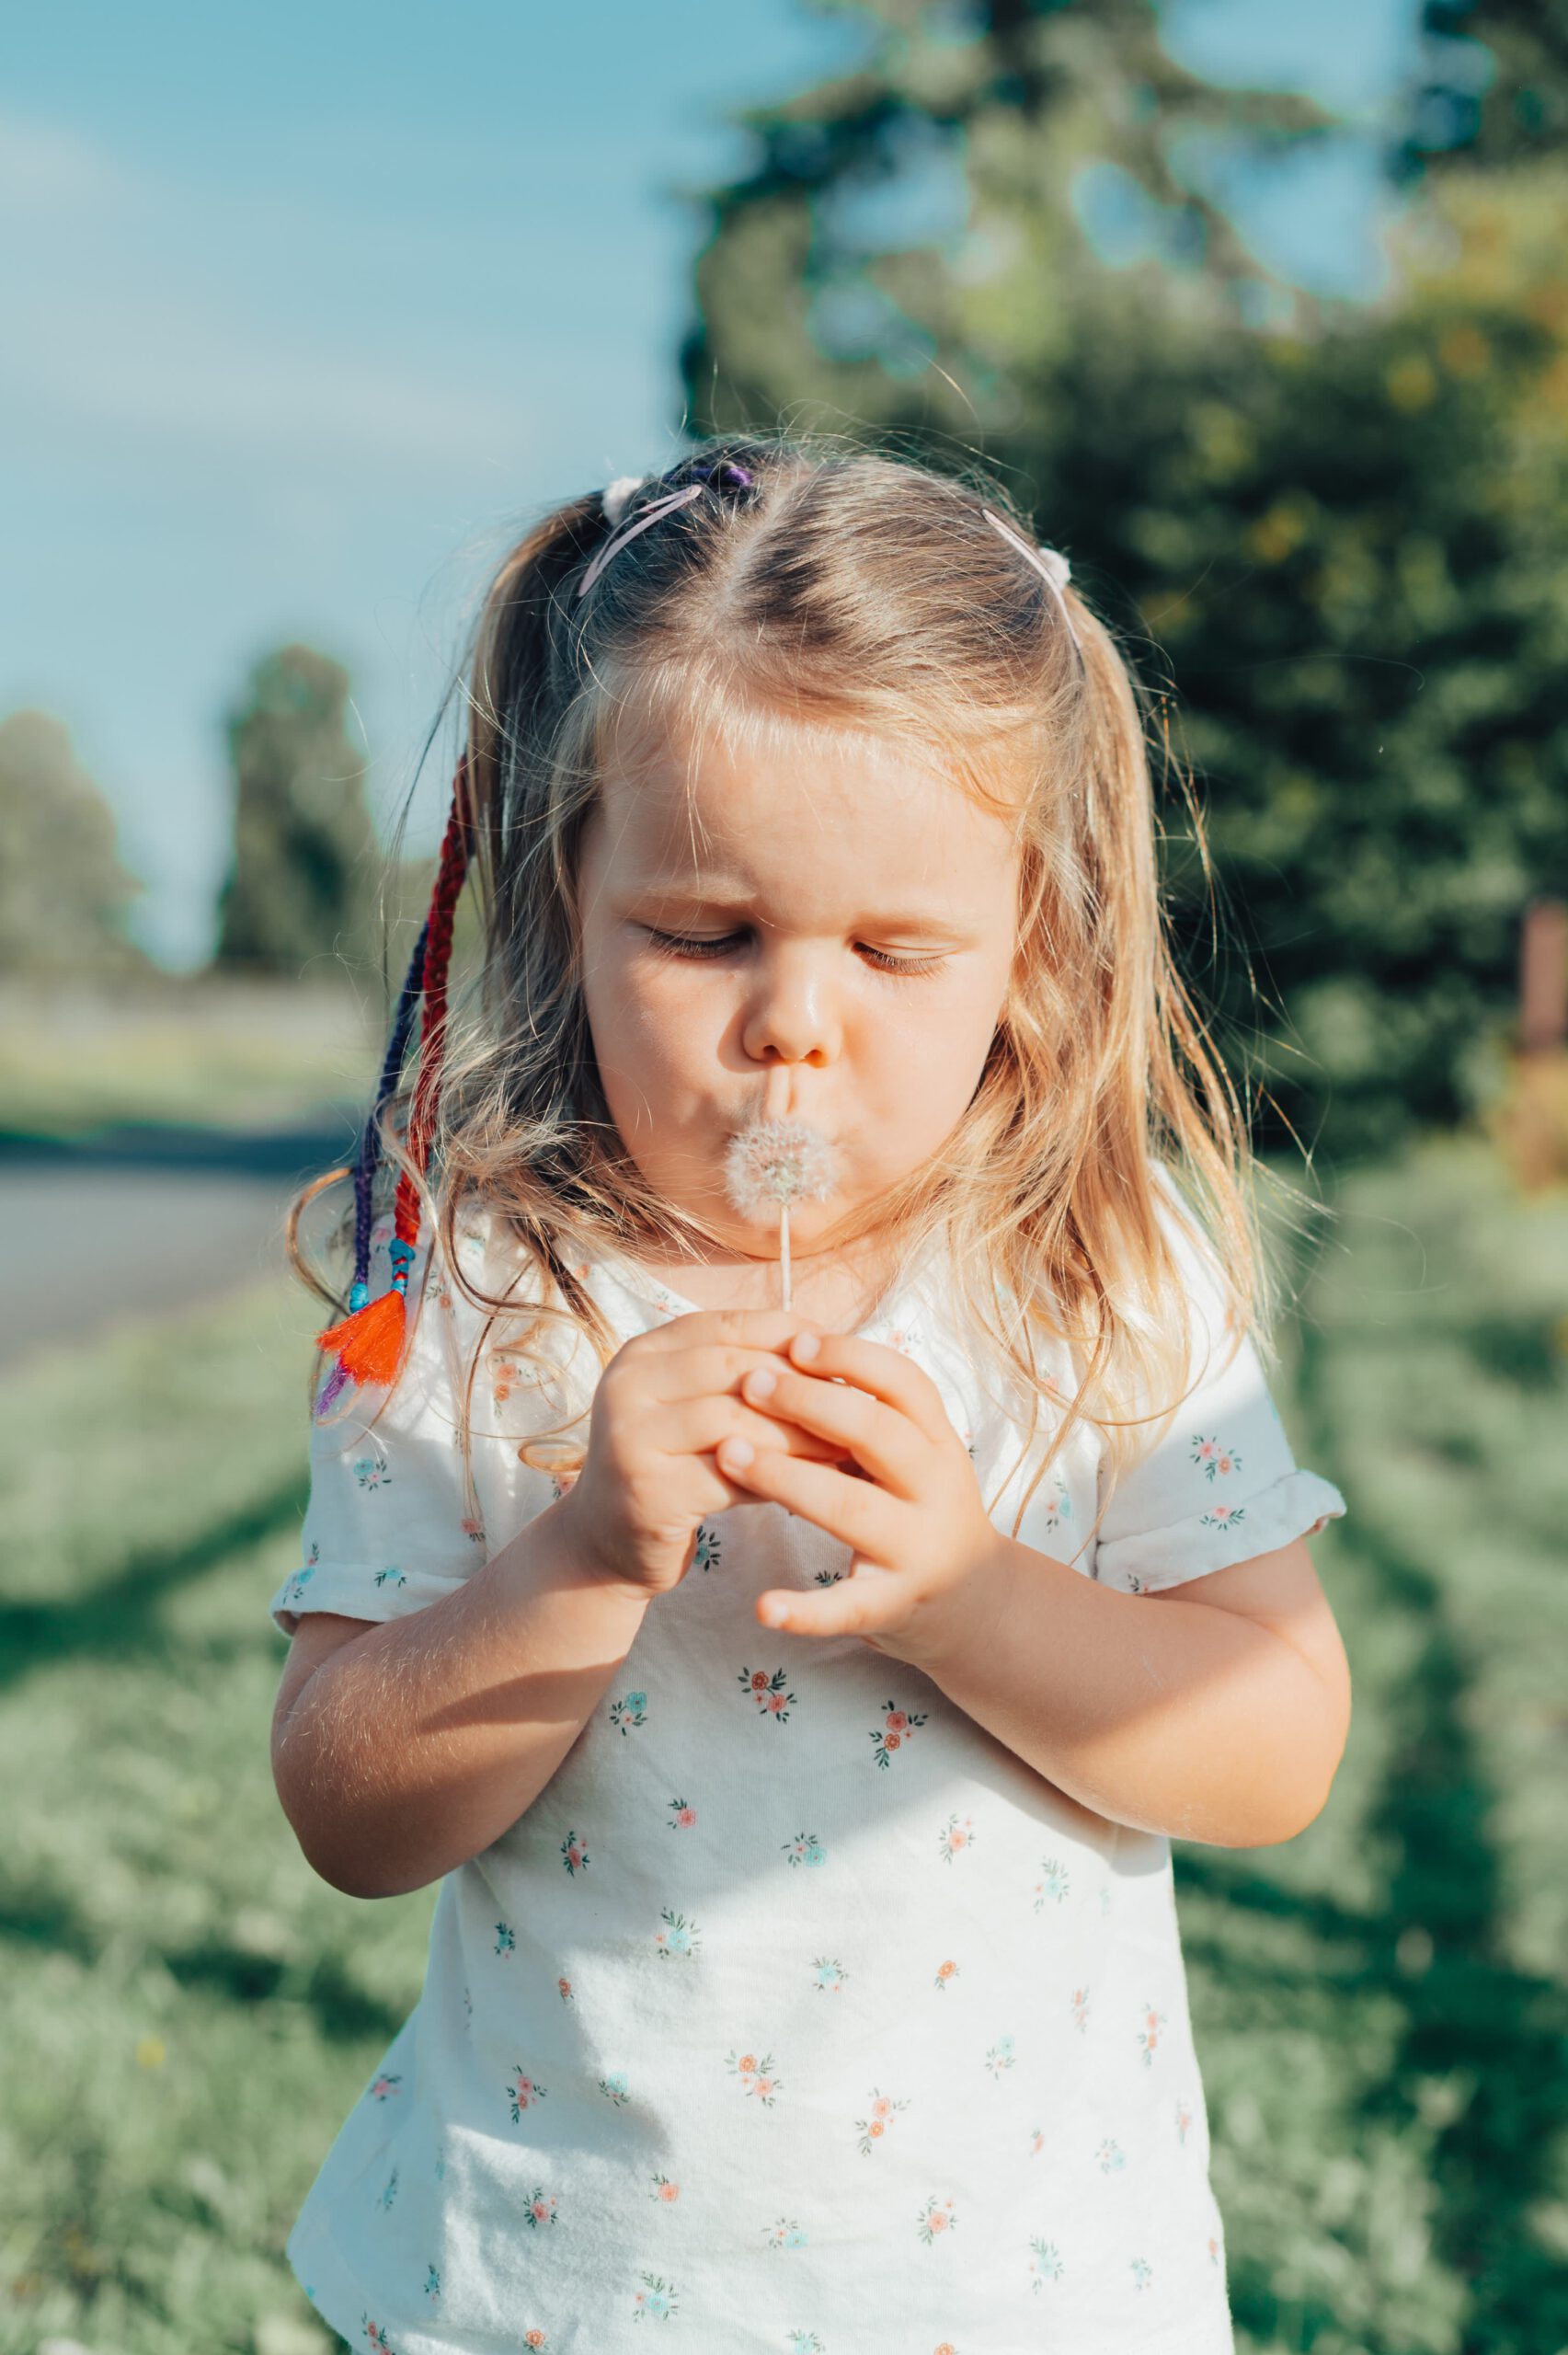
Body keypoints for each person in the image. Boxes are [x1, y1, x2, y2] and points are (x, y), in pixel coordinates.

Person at [268, 437, 1351, 2355]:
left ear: (1030, 944)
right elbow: (348, 1804)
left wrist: (967, 1593)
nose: (793, 1020)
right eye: (700, 933)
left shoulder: (1095, 1275)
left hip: (1010, 2285)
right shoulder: (486, 1288)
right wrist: (587, 1551)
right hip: (547, 2285)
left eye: (896, 948)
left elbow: (1271, 1744)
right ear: (565, 893)